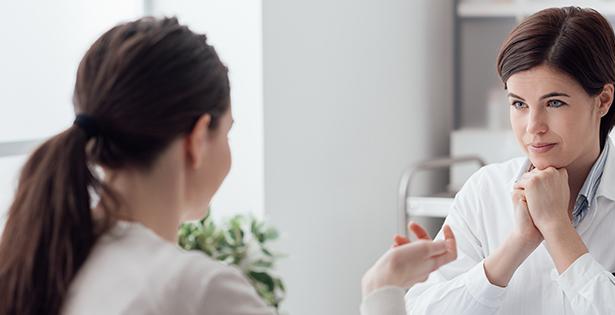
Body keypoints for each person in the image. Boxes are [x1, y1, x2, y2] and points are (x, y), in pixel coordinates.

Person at [0, 17, 455, 315]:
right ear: (198, 139)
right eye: (229, 131)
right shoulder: (192, 291)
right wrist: (382, 292)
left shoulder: (43, 255)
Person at [405, 6, 615, 315]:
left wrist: (556, 227)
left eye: (554, 102)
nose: (533, 126)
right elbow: (422, 309)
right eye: (519, 104)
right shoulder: (484, 190)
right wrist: (516, 245)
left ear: (603, 100)